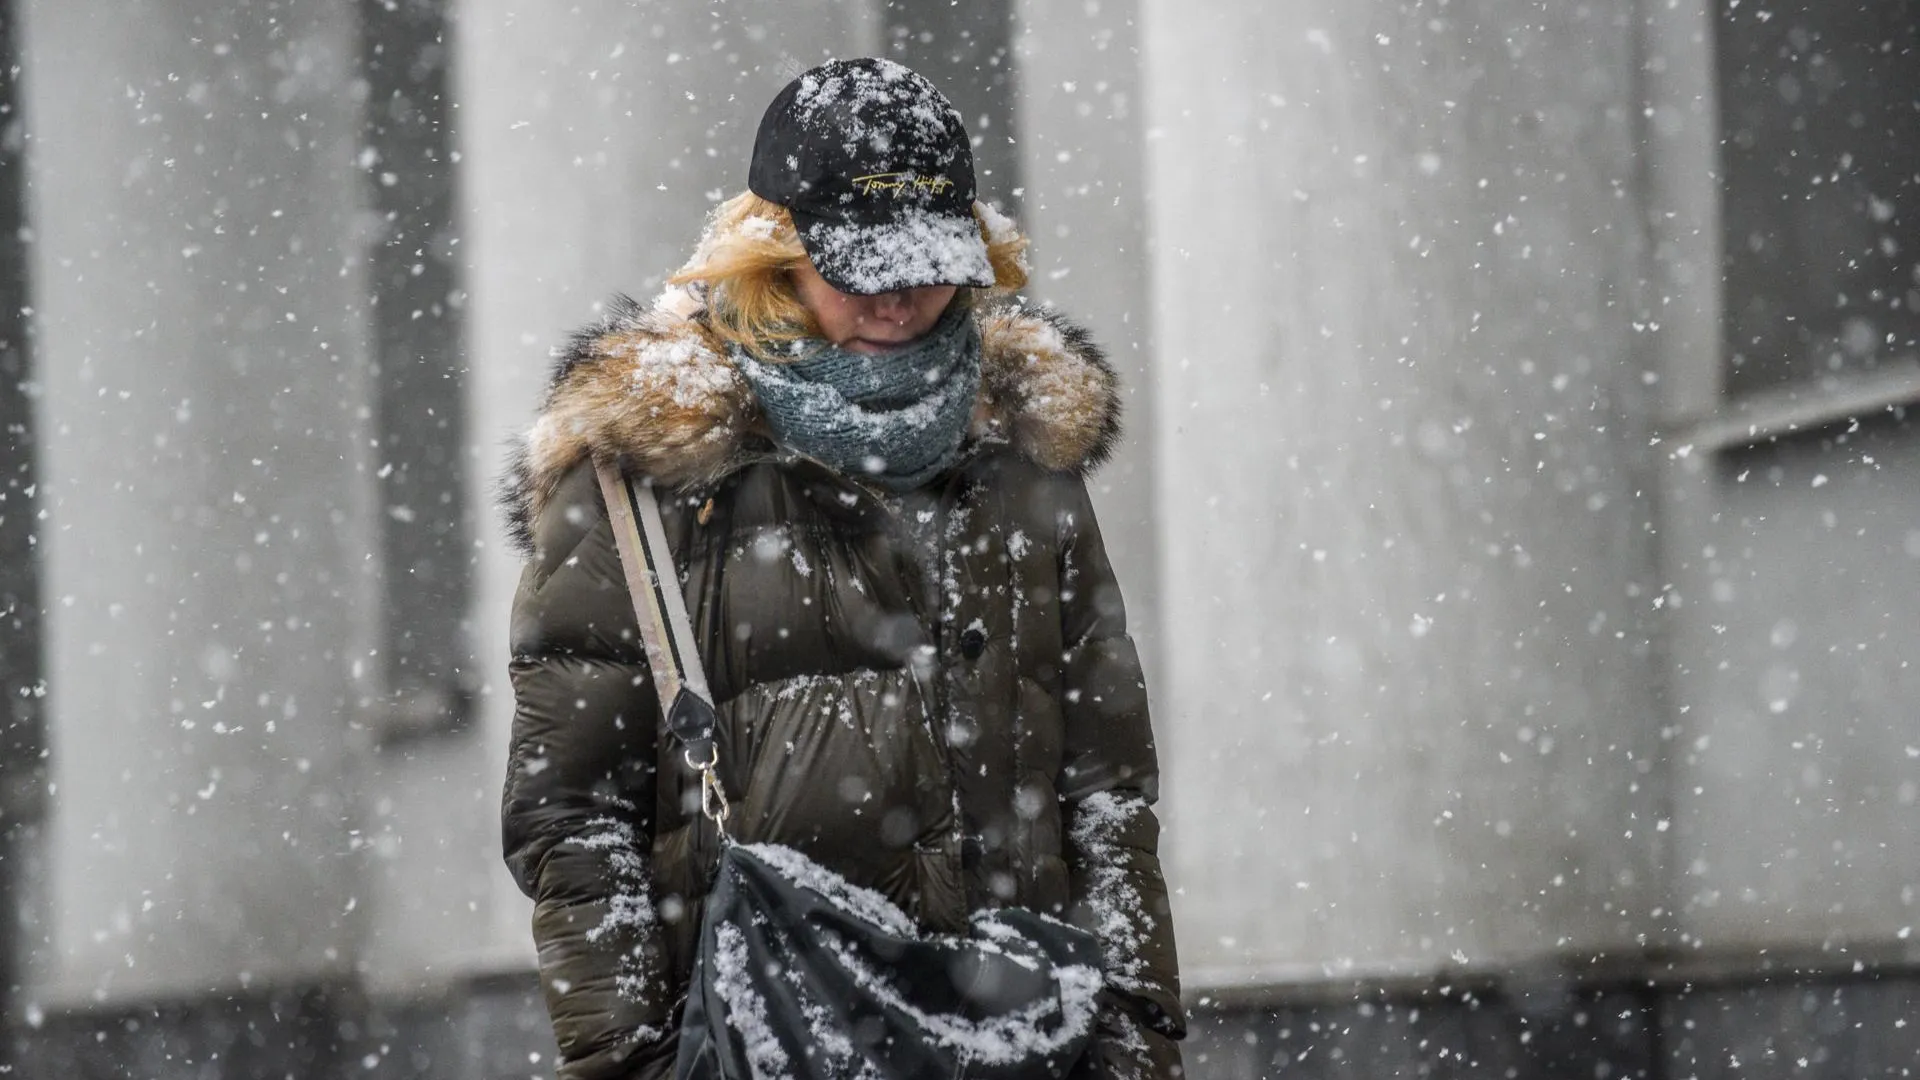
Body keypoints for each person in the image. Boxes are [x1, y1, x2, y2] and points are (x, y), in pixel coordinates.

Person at [499, 57, 1184, 1080]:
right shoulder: (642, 482)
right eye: (861, 265)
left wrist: (1134, 1037)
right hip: (770, 1043)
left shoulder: (1021, 459)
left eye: (928, 258)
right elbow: (574, 814)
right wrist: (629, 1065)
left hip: (1029, 1044)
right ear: (770, 257)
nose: (900, 296)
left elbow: (1106, 786)